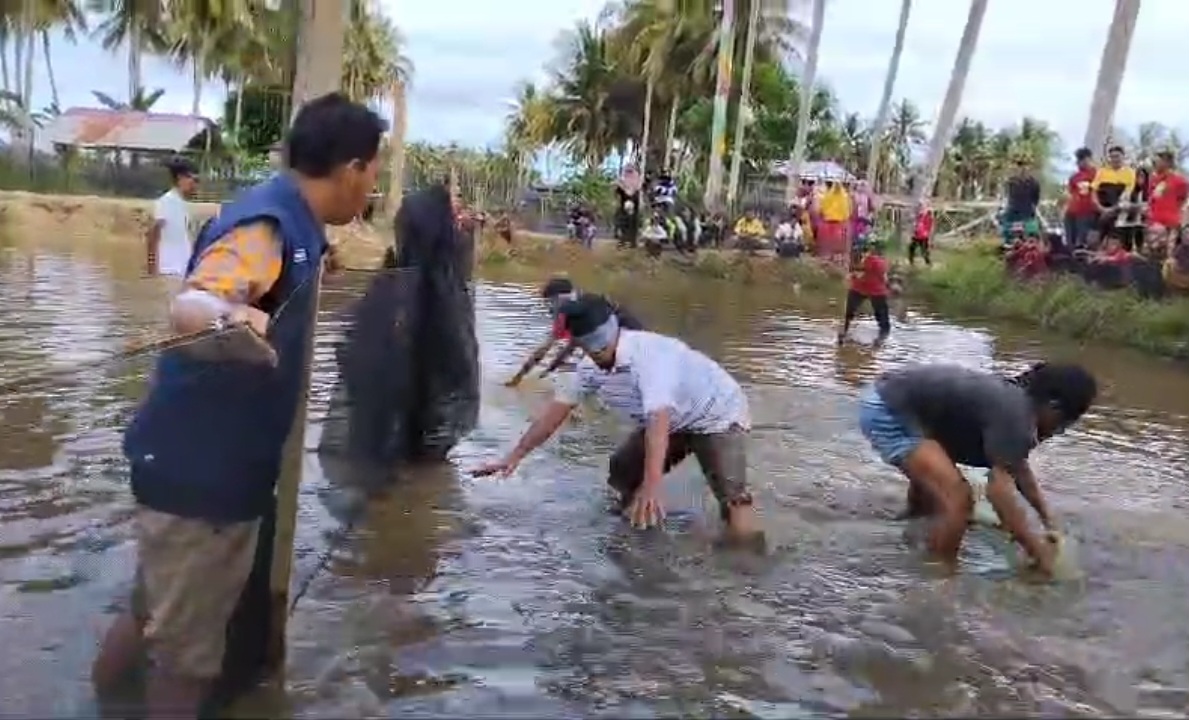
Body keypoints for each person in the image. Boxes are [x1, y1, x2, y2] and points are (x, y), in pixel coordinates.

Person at [92, 93, 383, 719]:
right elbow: (192, 306)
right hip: (204, 480)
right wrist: (227, 313)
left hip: (186, 465)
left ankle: (99, 705)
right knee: (187, 661)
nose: (374, 187)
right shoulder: (268, 226)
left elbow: (270, 278)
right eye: (374, 172)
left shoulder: (290, 219)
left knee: (151, 610)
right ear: (353, 167)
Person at [475, 294, 763, 542]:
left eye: (600, 347)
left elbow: (658, 419)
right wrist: (513, 456)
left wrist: (653, 485)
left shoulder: (648, 357)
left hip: (716, 414)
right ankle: (635, 530)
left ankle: (747, 570)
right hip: (675, 419)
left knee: (732, 497)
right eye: (589, 348)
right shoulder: (588, 369)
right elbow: (554, 415)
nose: (597, 354)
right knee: (623, 471)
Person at [858, 362, 1098, 576]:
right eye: (1064, 423)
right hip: (889, 410)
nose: (1059, 431)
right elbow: (998, 491)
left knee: (938, 495)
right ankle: (939, 575)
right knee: (959, 500)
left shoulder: (1015, 401)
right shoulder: (1016, 415)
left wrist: (1048, 520)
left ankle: (913, 525)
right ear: (1053, 406)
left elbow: (1017, 468)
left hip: (900, 400)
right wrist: (1035, 550)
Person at [505, 278, 644, 387]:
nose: (550, 308)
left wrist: (518, 377)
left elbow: (544, 351)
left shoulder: (567, 313)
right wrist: (551, 368)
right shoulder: (585, 303)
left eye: (550, 302)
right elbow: (573, 344)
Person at [147, 157, 200, 278]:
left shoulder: (181, 203)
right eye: (194, 180)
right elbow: (152, 235)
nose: (196, 185)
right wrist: (152, 269)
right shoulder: (167, 201)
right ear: (181, 178)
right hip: (169, 272)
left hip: (181, 271)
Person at [838, 239, 891, 345]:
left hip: (869, 289)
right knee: (881, 318)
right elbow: (885, 278)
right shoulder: (877, 261)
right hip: (868, 289)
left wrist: (851, 276)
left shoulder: (873, 261)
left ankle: (844, 334)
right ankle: (880, 340)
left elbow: (857, 274)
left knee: (850, 314)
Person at [1146, 149, 1187, 254]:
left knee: (1169, 253)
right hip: (1154, 223)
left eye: (1158, 161)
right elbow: (1151, 199)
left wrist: (1176, 213)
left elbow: (1183, 198)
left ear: (1167, 162)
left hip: (1170, 224)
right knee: (1153, 253)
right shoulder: (1153, 180)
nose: (1155, 163)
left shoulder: (1180, 181)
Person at [1091, 144, 1136, 238]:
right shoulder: (1102, 171)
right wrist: (1099, 207)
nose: (1114, 159)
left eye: (1117, 156)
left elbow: (1127, 194)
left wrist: (1112, 209)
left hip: (1118, 209)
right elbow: (1093, 192)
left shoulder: (1130, 173)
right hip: (1100, 208)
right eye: (1112, 157)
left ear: (1123, 157)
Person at [1064, 148, 1097, 249]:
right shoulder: (1074, 177)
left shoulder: (1097, 174)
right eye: (1079, 159)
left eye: (1083, 159)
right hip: (1071, 212)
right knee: (1070, 240)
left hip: (1087, 212)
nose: (1080, 162)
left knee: (1082, 240)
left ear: (1090, 159)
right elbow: (1070, 193)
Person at [1001, 158, 1041, 242]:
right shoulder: (1011, 182)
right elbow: (1007, 195)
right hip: (1013, 211)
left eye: (1026, 166)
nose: (1023, 168)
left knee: (1029, 235)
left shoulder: (1034, 183)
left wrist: (1032, 208)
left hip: (1027, 211)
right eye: (1020, 165)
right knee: (1010, 235)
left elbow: (1036, 198)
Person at [908, 199, 934, 266]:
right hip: (917, 235)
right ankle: (911, 262)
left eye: (921, 206)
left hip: (923, 236)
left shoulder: (927, 216)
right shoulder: (918, 215)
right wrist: (914, 228)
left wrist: (927, 233)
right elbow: (915, 224)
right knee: (911, 248)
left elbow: (929, 225)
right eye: (919, 206)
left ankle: (928, 263)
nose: (919, 208)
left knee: (924, 251)